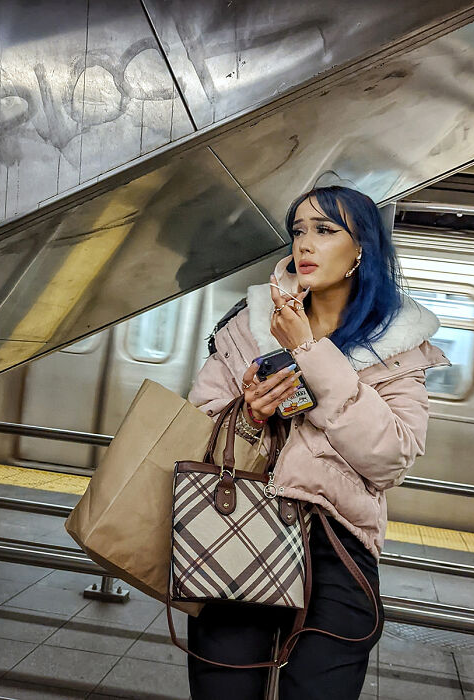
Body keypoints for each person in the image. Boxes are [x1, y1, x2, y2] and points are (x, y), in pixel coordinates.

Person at [186, 185, 450, 699]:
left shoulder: (399, 344)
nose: (305, 244)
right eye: (298, 231)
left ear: (362, 250)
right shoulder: (248, 325)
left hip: (341, 542)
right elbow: (201, 421)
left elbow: (391, 458)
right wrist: (249, 413)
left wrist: (309, 350)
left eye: (325, 231)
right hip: (239, 524)